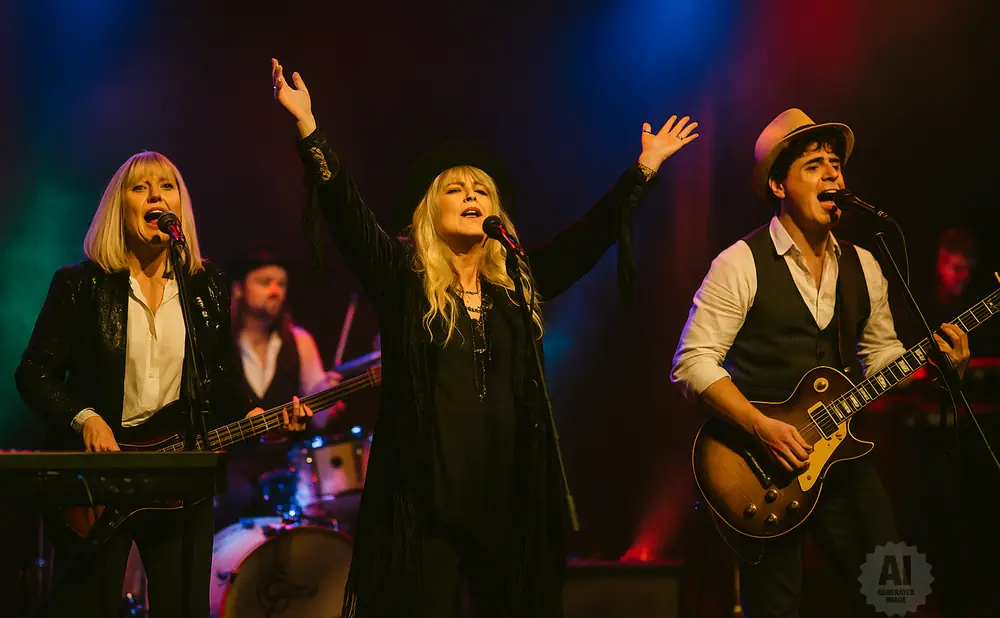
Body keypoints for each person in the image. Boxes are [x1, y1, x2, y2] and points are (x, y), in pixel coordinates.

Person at [271, 57, 700, 618]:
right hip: (427, 506)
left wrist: (640, 173)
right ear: (430, 209)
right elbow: (348, 215)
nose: (472, 194)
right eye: (456, 189)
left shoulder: (516, 282)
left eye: (482, 189)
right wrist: (308, 128)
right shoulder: (403, 279)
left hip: (510, 502)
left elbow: (584, 242)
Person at [671, 108, 971, 617]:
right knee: (777, 607)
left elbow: (881, 359)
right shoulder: (739, 262)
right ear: (778, 184)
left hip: (844, 460)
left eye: (836, 164)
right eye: (814, 165)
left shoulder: (865, 262)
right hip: (763, 470)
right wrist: (762, 426)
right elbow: (692, 363)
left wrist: (939, 367)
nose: (833, 174)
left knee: (896, 593)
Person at [14, 150, 311, 617]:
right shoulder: (81, 286)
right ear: (120, 207)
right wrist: (86, 418)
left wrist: (259, 417)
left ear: (180, 207)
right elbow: (34, 373)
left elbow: (218, 375)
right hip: (100, 478)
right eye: (141, 187)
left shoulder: (205, 286)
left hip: (179, 474)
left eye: (167, 186)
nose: (156, 195)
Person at [216, 247, 344, 525]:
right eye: (265, 282)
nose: (275, 291)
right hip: (227, 488)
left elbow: (320, 420)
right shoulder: (218, 342)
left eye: (281, 284)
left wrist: (328, 399)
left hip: (285, 483)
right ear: (238, 289)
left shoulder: (300, 341)